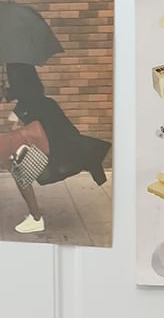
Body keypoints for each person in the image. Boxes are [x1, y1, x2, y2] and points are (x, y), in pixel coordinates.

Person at [1, 64, 111, 235]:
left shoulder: (25, 107)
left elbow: (15, 123)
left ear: (18, 82)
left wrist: (15, 117)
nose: (9, 84)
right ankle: (35, 216)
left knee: (17, 169)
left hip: (50, 155)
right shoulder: (44, 101)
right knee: (17, 166)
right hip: (57, 151)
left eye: (11, 81)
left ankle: (36, 218)